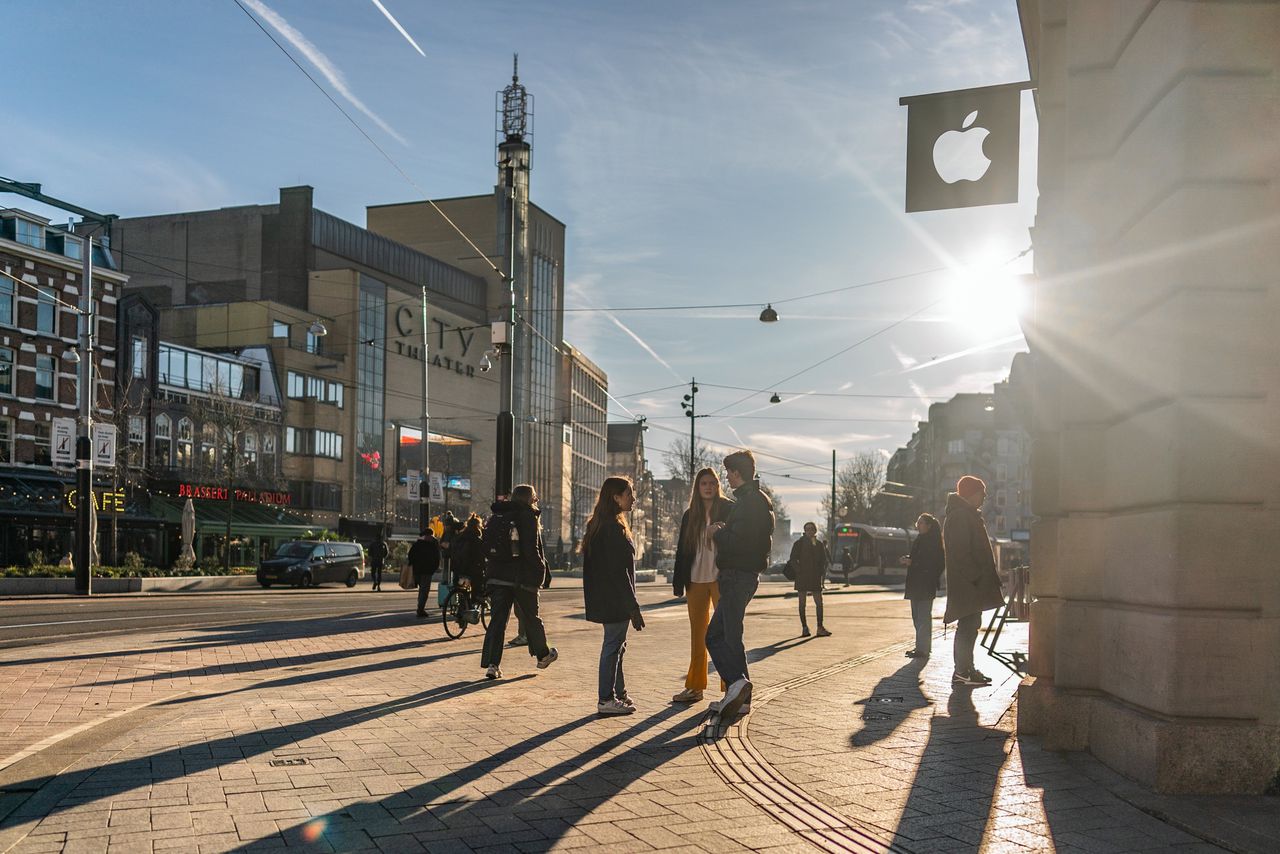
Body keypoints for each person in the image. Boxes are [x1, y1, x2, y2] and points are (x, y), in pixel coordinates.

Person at [705, 450, 774, 722]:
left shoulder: (750, 503)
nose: (726, 477)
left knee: (719, 636)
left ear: (736, 473)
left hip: (737, 575)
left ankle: (737, 684)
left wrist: (718, 533)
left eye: (728, 472)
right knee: (728, 634)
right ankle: (740, 697)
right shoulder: (756, 501)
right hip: (742, 575)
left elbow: (741, 542)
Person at [480, 485, 557, 679]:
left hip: (497, 576)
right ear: (528, 498)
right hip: (521, 577)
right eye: (534, 496)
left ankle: (492, 664)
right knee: (531, 617)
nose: (536, 499)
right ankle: (543, 655)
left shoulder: (498, 515)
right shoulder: (527, 516)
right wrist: (541, 571)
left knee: (497, 621)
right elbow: (531, 550)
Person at [582, 477, 645, 716]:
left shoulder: (600, 525)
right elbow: (620, 573)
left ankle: (619, 693)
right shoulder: (612, 529)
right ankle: (606, 698)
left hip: (607, 597)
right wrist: (633, 607)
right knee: (612, 646)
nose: (633, 498)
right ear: (615, 497)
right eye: (629, 494)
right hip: (615, 598)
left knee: (617, 645)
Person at [670, 467, 733, 704]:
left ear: (718, 486)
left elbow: (737, 538)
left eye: (712, 483)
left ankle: (731, 686)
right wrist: (678, 582)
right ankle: (695, 687)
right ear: (697, 487)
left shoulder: (728, 509)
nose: (708, 487)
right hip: (695, 580)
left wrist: (720, 529)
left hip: (720, 579)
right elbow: (682, 550)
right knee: (698, 635)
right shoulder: (690, 514)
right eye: (704, 483)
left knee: (726, 634)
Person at [943, 476, 1005, 686]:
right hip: (967, 584)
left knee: (970, 625)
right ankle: (962, 671)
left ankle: (966, 669)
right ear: (971, 493)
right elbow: (962, 553)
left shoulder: (965, 514)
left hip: (969, 584)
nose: (985, 497)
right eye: (982, 492)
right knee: (967, 626)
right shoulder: (961, 516)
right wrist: (977, 577)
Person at [900, 513, 944, 658]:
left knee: (923, 617)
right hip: (916, 583)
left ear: (929, 526)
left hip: (925, 584)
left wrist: (913, 563)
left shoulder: (932, 541)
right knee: (917, 616)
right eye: (917, 522)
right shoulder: (920, 539)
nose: (918, 525)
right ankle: (921, 647)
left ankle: (923, 649)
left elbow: (934, 563)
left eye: (921, 523)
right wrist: (909, 559)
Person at [788, 522, 831, 637]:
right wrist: (799, 571)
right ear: (804, 531)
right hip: (802, 577)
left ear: (815, 531)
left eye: (812, 529)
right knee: (802, 604)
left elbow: (824, 560)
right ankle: (804, 627)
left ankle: (820, 627)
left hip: (815, 577)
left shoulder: (819, 544)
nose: (810, 531)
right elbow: (792, 559)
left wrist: (821, 572)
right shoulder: (799, 544)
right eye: (807, 529)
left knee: (819, 603)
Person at [451, 514, 486, 626]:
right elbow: (481, 557)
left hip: (458, 570)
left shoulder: (460, 536)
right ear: (477, 526)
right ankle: (476, 602)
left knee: (462, 593)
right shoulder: (476, 538)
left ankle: (461, 616)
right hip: (471, 570)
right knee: (478, 588)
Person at [408, 528, 440, 617]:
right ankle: (420, 609)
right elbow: (437, 558)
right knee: (424, 591)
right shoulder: (432, 545)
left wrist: (413, 565)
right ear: (428, 536)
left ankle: (420, 608)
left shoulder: (417, 544)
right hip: (426, 571)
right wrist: (433, 568)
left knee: (422, 590)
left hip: (418, 570)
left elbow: (410, 556)